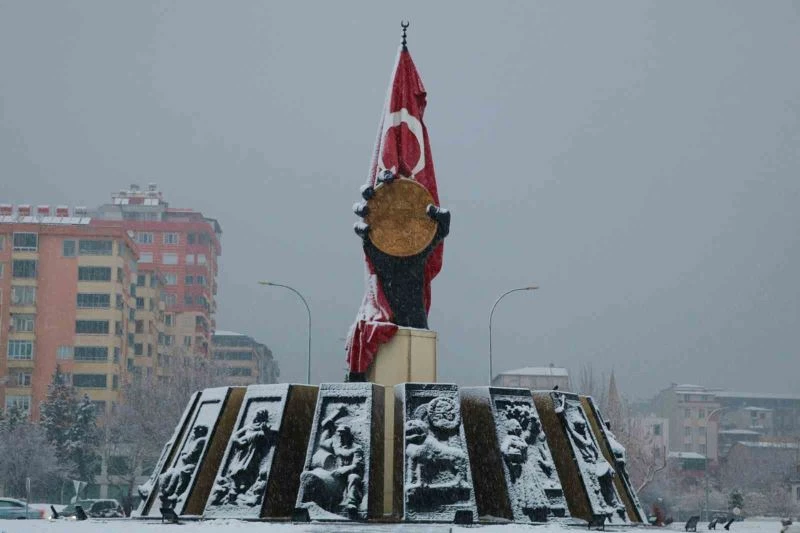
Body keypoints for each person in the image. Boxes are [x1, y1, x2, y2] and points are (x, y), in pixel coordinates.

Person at [159, 425, 208, 508]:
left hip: (195, 464)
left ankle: (177, 493)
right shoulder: (193, 440)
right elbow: (185, 452)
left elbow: (190, 456)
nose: (194, 432)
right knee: (174, 472)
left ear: (201, 431)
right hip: (189, 463)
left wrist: (184, 457)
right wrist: (185, 454)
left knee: (183, 471)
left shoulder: (201, 441)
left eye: (196, 430)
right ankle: (167, 492)